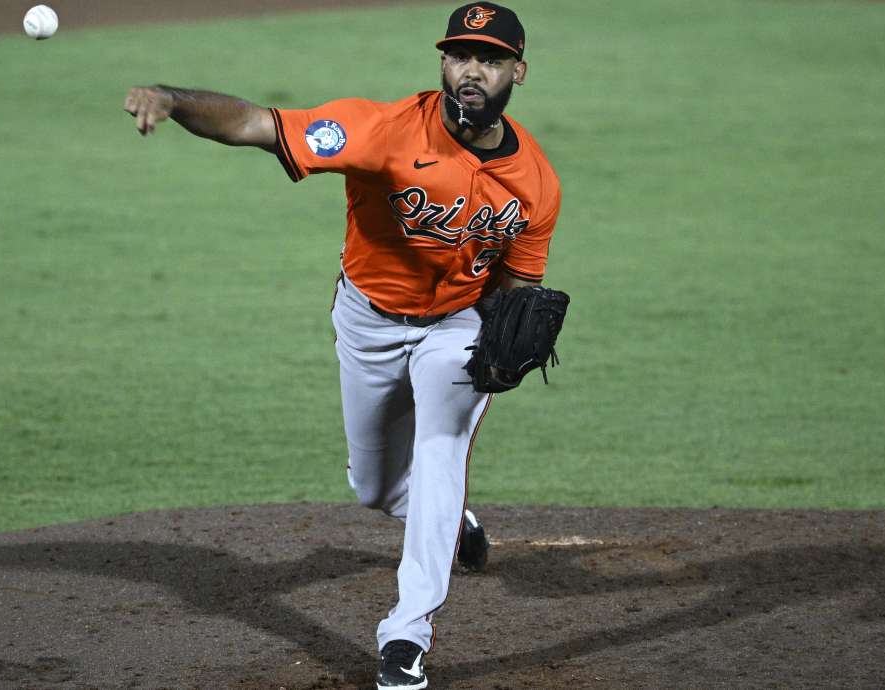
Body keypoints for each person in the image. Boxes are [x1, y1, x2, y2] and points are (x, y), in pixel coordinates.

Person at [123, 3, 560, 687]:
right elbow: (256, 125)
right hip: (369, 321)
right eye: (461, 54)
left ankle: (406, 635)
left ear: (518, 71)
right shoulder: (380, 130)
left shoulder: (536, 183)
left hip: (454, 327)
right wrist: (172, 100)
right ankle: (448, 521)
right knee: (376, 488)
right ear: (443, 63)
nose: (474, 68)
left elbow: (517, 284)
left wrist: (503, 342)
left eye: (492, 58)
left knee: (442, 441)